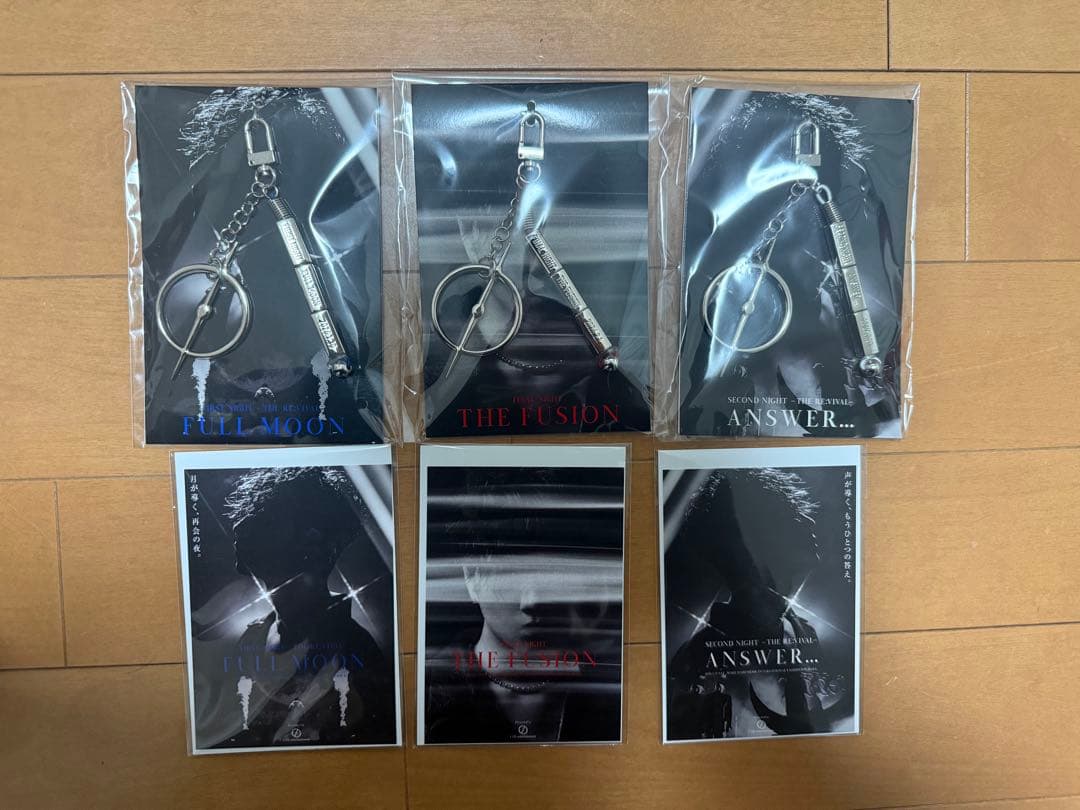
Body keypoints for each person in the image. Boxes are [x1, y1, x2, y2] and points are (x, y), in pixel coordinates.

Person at [196, 466, 394, 748]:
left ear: (312, 542)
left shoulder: (356, 653)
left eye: (264, 523)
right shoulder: (253, 636)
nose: (243, 531)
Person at [423, 466, 623, 744]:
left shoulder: (615, 689)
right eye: (512, 575)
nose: (534, 601)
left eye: (552, 575)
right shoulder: (423, 688)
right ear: (472, 576)